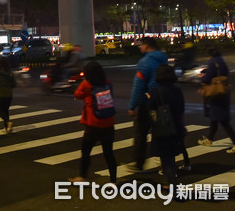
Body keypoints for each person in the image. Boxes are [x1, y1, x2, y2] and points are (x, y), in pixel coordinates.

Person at [69, 61, 117, 183]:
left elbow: (77, 94)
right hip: (108, 123)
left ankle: (82, 177)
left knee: (86, 152)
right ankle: (113, 180)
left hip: (93, 125)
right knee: (109, 153)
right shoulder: (108, 83)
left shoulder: (86, 85)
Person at [127, 37, 168, 172]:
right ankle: (166, 165)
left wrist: (132, 105)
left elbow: (138, 85)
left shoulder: (145, 62)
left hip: (147, 102)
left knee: (140, 133)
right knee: (162, 134)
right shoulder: (163, 59)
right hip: (162, 101)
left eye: (141, 45)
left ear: (147, 46)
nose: (139, 47)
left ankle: (139, 164)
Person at [148, 64, 185, 188]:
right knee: (171, 157)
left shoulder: (155, 91)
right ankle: (172, 182)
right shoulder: (178, 91)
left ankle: (173, 188)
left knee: (166, 161)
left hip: (162, 129)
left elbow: (152, 112)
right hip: (176, 128)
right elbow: (181, 109)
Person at [198, 48, 235, 154]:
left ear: (210, 55)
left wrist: (202, 78)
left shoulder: (213, 62)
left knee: (222, 120)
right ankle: (209, 140)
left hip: (215, 94)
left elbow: (208, 77)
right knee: (215, 118)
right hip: (223, 92)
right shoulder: (222, 62)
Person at [0, 57, 16, 134]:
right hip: (9, 95)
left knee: (0, 111)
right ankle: (6, 128)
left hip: (1, 94)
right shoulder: (10, 73)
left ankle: (8, 123)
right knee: (6, 111)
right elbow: (14, 84)